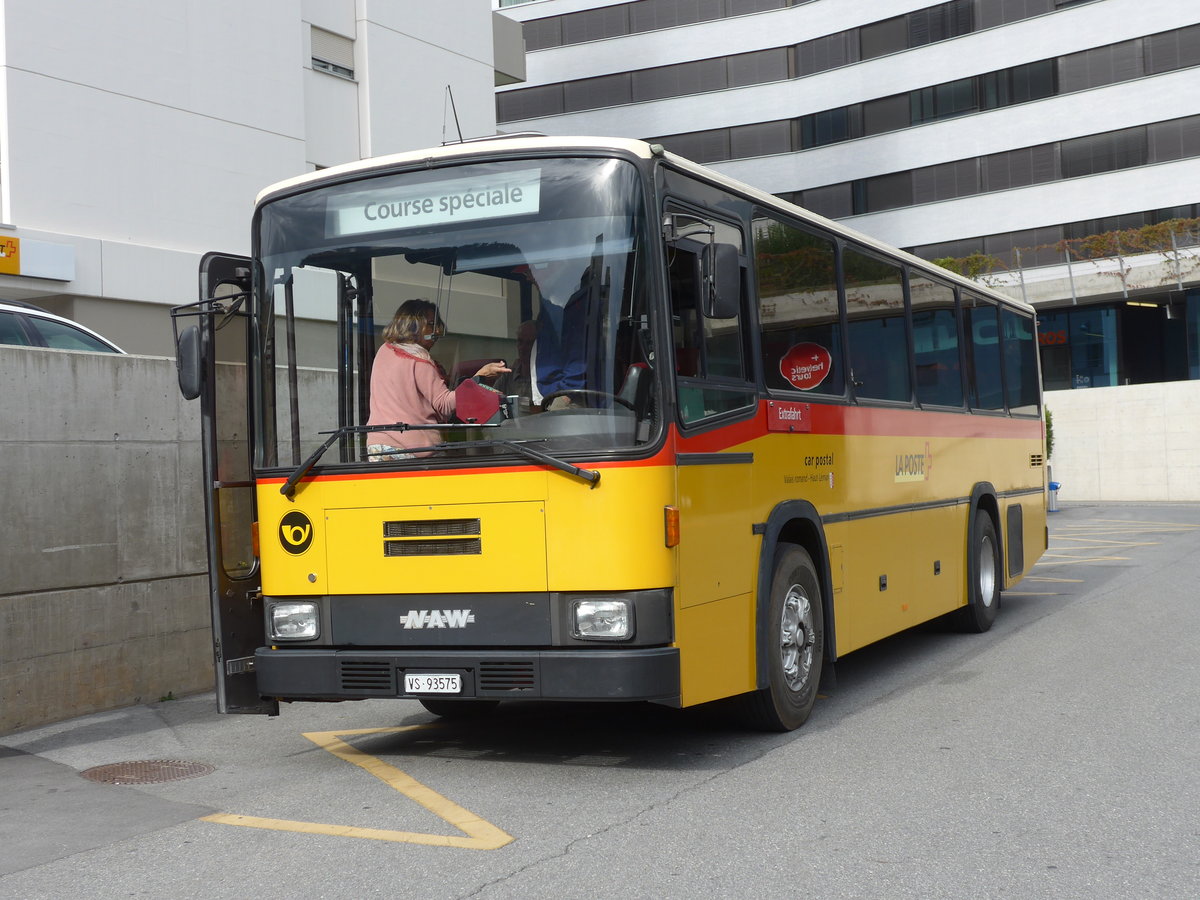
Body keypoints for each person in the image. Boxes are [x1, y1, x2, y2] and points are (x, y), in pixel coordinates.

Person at [366, 299, 508, 459]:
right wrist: (479, 377)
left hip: (378, 447)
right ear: (412, 326)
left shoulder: (384, 351)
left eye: (437, 325)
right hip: (412, 450)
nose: (438, 331)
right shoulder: (419, 358)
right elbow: (444, 404)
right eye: (431, 325)